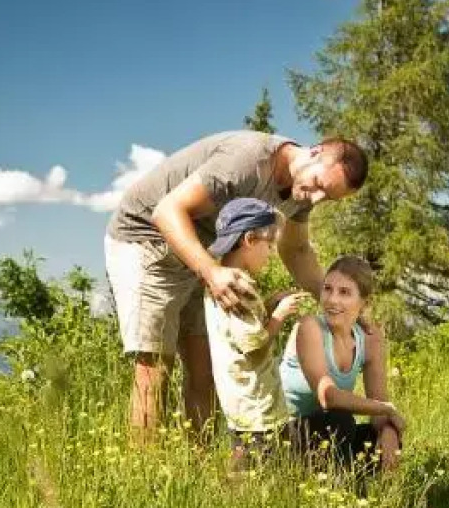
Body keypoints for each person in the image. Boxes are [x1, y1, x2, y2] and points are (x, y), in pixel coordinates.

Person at [103, 130, 369, 435]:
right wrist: (210, 272)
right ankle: (143, 474)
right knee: (155, 364)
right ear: (315, 152)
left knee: (205, 371)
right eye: (321, 185)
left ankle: (198, 471)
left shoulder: (302, 193)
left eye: (328, 198)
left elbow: (295, 250)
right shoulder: (246, 161)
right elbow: (166, 211)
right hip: (147, 238)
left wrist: (340, 305)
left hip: (201, 252)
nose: (317, 198)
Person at [201, 198, 307, 467]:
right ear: (249, 239)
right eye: (269, 245)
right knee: (253, 461)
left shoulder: (225, 282)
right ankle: (233, 501)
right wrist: (279, 315)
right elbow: (254, 343)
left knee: (256, 456)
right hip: (254, 401)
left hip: (243, 398)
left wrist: (270, 302)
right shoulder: (238, 289)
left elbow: (241, 326)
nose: (271, 254)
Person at [279, 255, 404, 471]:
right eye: (327, 289)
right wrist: (387, 409)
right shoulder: (309, 327)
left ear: (364, 302)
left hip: (327, 436)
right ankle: (340, 493)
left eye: (344, 292)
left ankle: (373, 499)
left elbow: (379, 406)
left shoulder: (371, 339)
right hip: (286, 435)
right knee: (340, 421)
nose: (332, 300)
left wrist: (389, 431)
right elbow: (328, 396)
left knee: (378, 436)